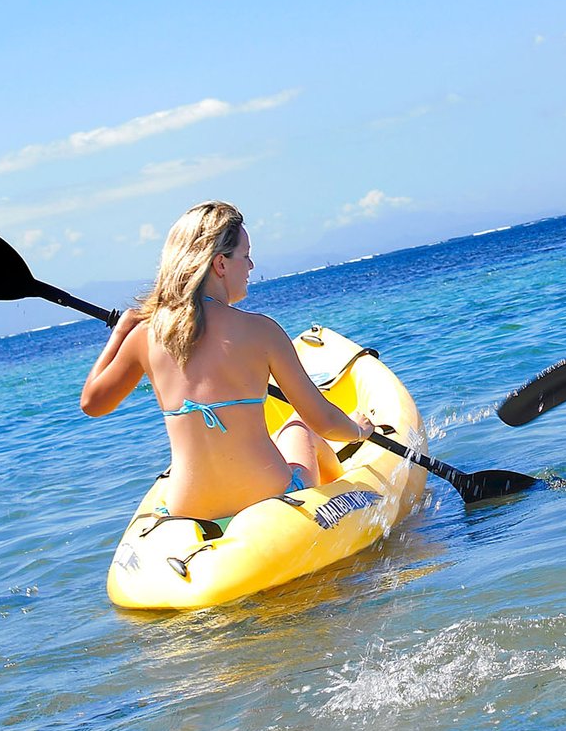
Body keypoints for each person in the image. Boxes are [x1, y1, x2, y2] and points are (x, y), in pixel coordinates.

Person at [80, 200, 373, 521]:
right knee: (299, 425)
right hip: (270, 495)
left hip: (187, 510)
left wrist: (121, 332)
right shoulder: (261, 330)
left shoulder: (146, 337)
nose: (250, 267)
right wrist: (359, 431)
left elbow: (93, 403)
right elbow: (326, 421)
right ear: (221, 264)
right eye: (245, 256)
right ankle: (346, 495)